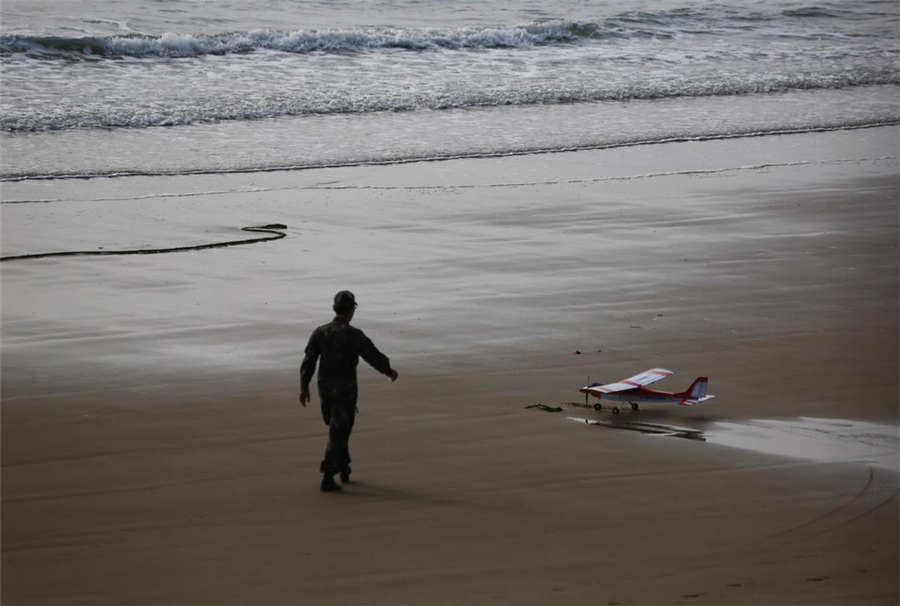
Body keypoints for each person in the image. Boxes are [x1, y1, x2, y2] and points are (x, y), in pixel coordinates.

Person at [299, 290, 398, 492]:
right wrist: (388, 371)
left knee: (338, 427)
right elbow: (373, 356)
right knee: (340, 430)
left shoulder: (320, 332)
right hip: (346, 390)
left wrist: (304, 387)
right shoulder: (354, 336)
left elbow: (308, 361)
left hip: (325, 389)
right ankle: (328, 475)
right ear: (352, 310)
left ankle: (344, 466)